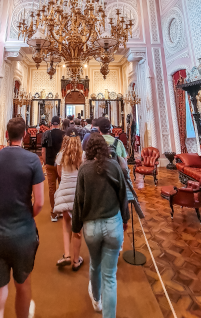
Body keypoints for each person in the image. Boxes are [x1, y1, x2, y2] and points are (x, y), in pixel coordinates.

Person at [0, 117, 45, 318]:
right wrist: (26, 214)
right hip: (23, 235)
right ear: (25, 135)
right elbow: (40, 202)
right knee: (23, 287)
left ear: (7, 135)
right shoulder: (32, 160)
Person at [72, 133, 129, 317]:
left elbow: (78, 201)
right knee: (110, 277)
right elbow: (123, 195)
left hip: (91, 227)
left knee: (95, 266)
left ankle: (97, 301)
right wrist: (126, 220)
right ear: (105, 148)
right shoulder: (113, 165)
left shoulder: (83, 169)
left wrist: (76, 227)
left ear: (88, 150)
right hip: (113, 224)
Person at [53, 131, 84, 271]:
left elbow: (59, 174)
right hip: (78, 194)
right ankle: (76, 261)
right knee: (77, 228)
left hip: (65, 192)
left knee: (66, 224)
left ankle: (66, 255)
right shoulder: (82, 156)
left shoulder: (60, 156)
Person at [42, 115, 65, 222]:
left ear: (51, 124)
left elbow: (43, 150)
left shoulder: (46, 134)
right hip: (61, 164)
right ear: (59, 124)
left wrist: (45, 162)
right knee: (61, 187)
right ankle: (61, 210)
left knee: (52, 188)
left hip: (50, 163)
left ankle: (54, 213)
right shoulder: (63, 134)